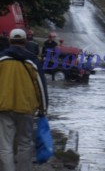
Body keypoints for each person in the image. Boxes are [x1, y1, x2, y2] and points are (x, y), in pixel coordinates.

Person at [0, 28, 48, 171]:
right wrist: (43, 109)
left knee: (5, 146)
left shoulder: (1, 60)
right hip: (26, 108)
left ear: (9, 41)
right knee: (25, 144)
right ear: (26, 41)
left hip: (3, 107)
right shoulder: (33, 61)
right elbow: (41, 87)